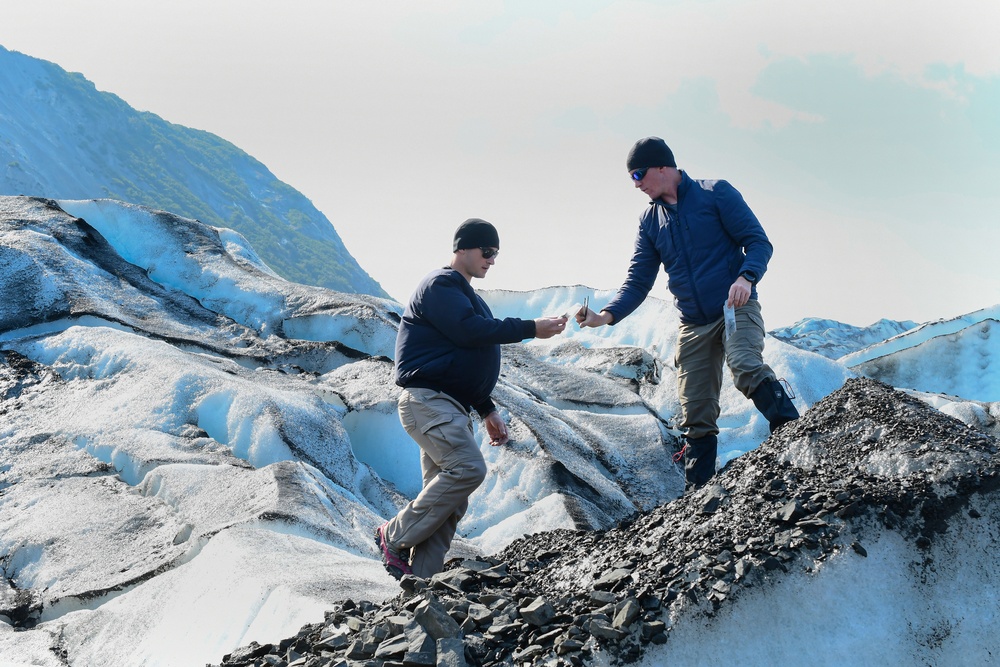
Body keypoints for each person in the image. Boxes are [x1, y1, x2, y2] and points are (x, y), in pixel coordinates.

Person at [577, 137, 799, 491]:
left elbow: (758, 242)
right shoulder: (650, 221)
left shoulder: (717, 194)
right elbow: (638, 280)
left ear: (663, 167)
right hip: (692, 324)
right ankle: (699, 493)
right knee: (694, 410)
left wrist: (746, 277)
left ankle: (794, 434)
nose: (636, 184)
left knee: (744, 364)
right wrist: (605, 316)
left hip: (734, 307)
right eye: (631, 177)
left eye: (639, 174)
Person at [375, 218, 568, 580]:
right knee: (468, 470)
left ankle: (420, 581)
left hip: (450, 406)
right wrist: (530, 329)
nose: (492, 260)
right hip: (429, 402)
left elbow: (464, 356)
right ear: (463, 247)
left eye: (496, 254)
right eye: (487, 251)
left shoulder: (469, 297)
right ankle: (393, 535)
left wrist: (487, 409)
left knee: (450, 499)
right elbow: (468, 332)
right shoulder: (440, 284)